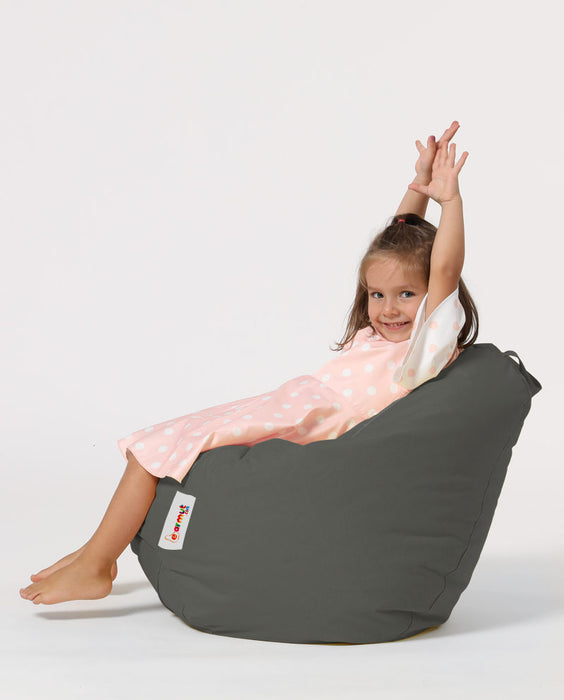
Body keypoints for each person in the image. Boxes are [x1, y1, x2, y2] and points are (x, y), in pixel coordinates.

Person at [20, 120, 478, 605]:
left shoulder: (421, 349)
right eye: (378, 295)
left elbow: (444, 267)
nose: (388, 309)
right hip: (291, 402)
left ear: (433, 299)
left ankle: (96, 566)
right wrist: (416, 188)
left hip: (311, 419)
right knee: (155, 444)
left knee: (153, 451)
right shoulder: (381, 329)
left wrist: (450, 201)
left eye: (407, 295)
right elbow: (396, 244)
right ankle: (96, 553)